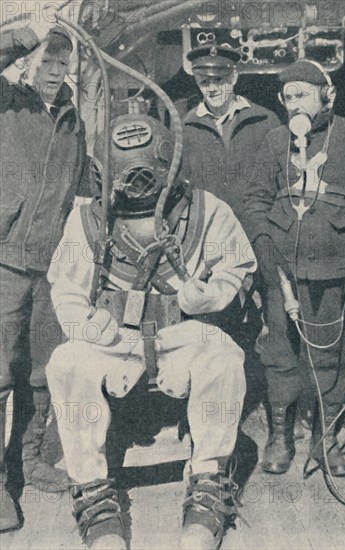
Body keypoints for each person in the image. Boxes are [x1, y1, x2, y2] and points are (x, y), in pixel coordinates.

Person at [45, 112, 256, 550]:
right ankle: (93, 492)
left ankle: (208, 482)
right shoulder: (88, 220)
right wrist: (83, 325)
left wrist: (211, 295)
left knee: (224, 357)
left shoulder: (205, 210)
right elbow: (66, 289)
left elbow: (235, 267)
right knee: (66, 363)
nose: (139, 189)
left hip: (182, 334)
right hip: (114, 340)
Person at [243, 59, 345, 476]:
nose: (294, 105)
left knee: (332, 357)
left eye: (302, 95)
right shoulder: (275, 142)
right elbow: (255, 200)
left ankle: (324, 438)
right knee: (280, 355)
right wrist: (264, 250)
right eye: (288, 97)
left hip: (337, 272)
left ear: (326, 95)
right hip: (283, 274)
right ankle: (280, 435)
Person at [0, 24, 90, 531]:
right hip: (3, 259)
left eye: (63, 66)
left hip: (51, 266)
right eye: (47, 65)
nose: (55, 75)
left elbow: (83, 185)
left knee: (41, 371)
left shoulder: (74, 122)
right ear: (30, 66)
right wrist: (20, 37)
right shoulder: (8, 102)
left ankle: (27, 461)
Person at [182, 44, 280, 220]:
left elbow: (281, 181)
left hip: (256, 229)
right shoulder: (186, 128)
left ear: (234, 77)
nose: (212, 89)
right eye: (204, 82)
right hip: (208, 230)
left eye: (219, 80)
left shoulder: (265, 120)